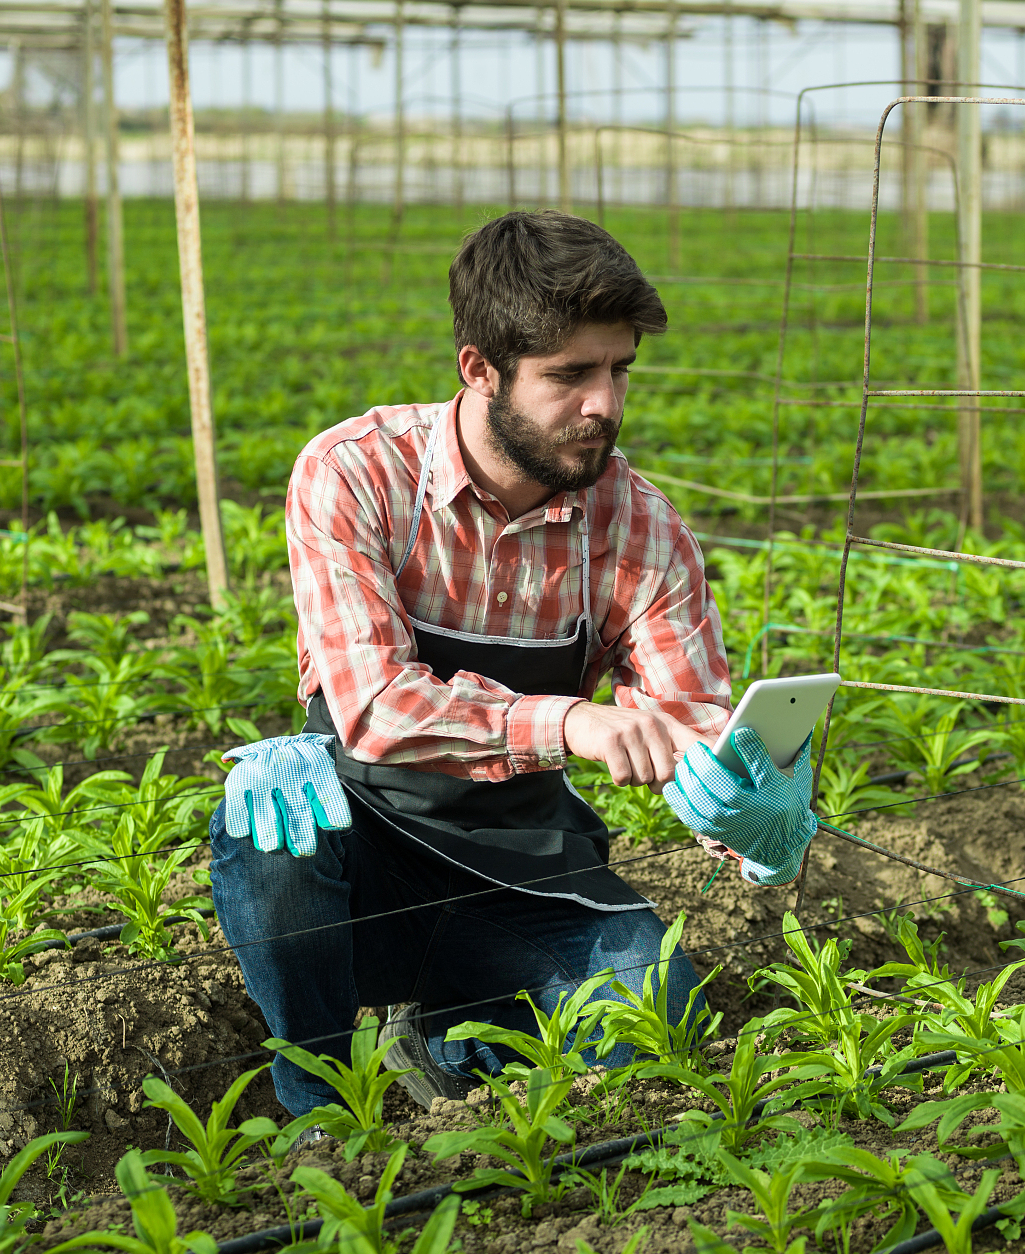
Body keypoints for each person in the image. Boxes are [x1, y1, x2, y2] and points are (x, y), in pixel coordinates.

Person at [209, 210, 818, 1119]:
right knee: (275, 840)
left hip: (523, 865)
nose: (604, 404)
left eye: (619, 371)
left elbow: (692, 721)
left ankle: (456, 1042)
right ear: (479, 369)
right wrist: (570, 719)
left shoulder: (641, 529)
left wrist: (757, 809)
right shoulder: (356, 473)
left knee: (658, 1017)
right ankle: (320, 1108)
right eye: (570, 375)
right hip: (365, 845)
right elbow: (376, 708)